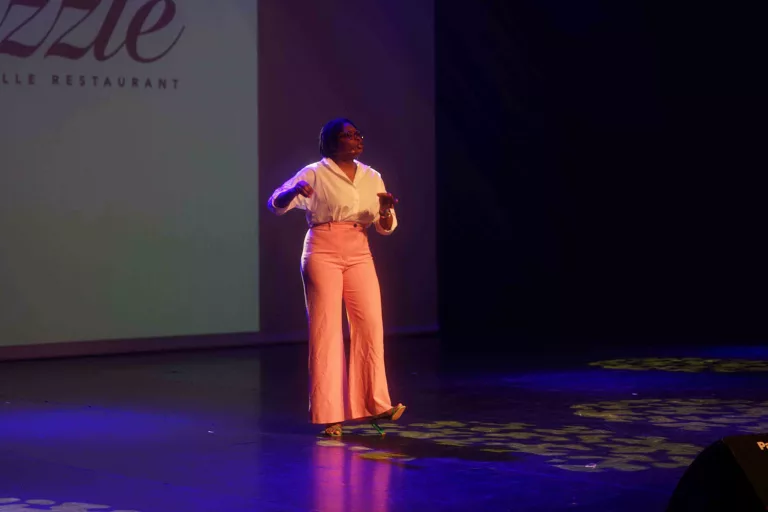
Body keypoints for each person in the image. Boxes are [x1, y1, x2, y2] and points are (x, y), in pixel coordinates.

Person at [267, 118, 406, 436]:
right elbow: (276, 204)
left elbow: (386, 227)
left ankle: (376, 405)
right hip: (323, 250)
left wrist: (385, 211)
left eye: (358, 134)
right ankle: (329, 415)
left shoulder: (372, 176)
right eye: (347, 135)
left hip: (359, 250)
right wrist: (291, 191)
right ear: (330, 142)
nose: (356, 139)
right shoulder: (314, 171)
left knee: (370, 324)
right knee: (326, 330)